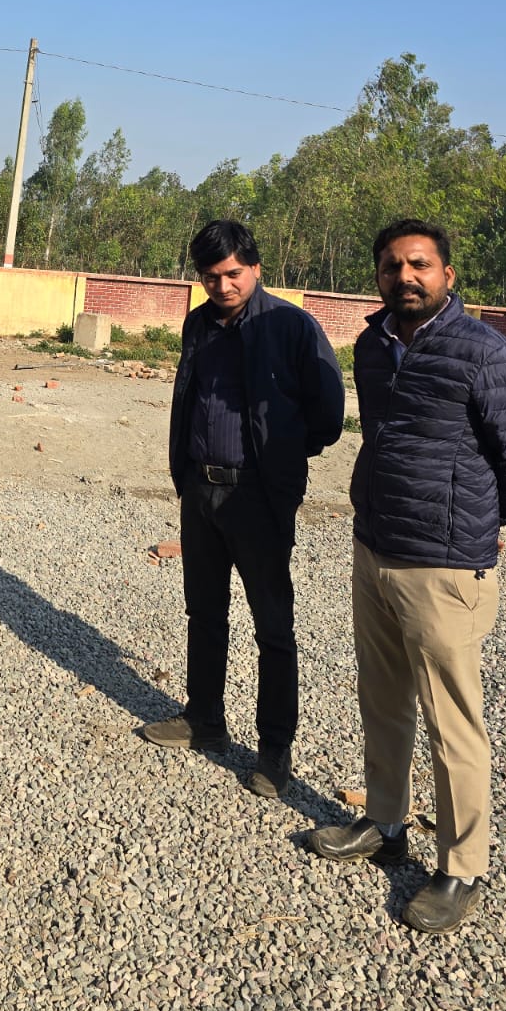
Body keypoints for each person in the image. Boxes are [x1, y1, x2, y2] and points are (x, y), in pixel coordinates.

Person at [305, 221, 506, 931]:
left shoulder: (487, 354)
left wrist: (484, 520)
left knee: (453, 724)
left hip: (444, 565)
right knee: (382, 700)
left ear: (447, 274)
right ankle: (385, 822)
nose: (404, 276)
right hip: (375, 548)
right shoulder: (373, 346)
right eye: (391, 265)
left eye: (419, 264)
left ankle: (463, 867)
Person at [140, 220, 345, 798]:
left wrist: (278, 460)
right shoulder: (198, 324)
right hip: (200, 491)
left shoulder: (291, 327)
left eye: (233, 274)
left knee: (272, 627)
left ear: (255, 268)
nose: (223, 286)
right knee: (204, 613)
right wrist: (187, 474)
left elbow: (328, 415)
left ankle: (274, 749)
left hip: (258, 496)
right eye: (211, 277)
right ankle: (204, 718)